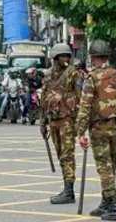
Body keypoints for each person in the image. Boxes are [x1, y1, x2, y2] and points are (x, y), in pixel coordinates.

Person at [76, 39, 116, 220]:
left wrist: (80, 132)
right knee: (110, 164)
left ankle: (113, 205)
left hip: (99, 127)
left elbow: (85, 106)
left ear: (93, 58)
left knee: (104, 167)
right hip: (115, 126)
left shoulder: (92, 78)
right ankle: (105, 202)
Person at [40, 42, 82, 204]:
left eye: (67, 56)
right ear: (55, 58)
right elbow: (44, 99)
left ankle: (69, 190)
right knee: (60, 154)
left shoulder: (73, 74)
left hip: (68, 119)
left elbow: (80, 96)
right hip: (53, 119)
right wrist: (42, 122)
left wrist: (81, 121)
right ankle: (66, 186)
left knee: (67, 154)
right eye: (61, 56)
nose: (64, 59)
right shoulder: (48, 74)